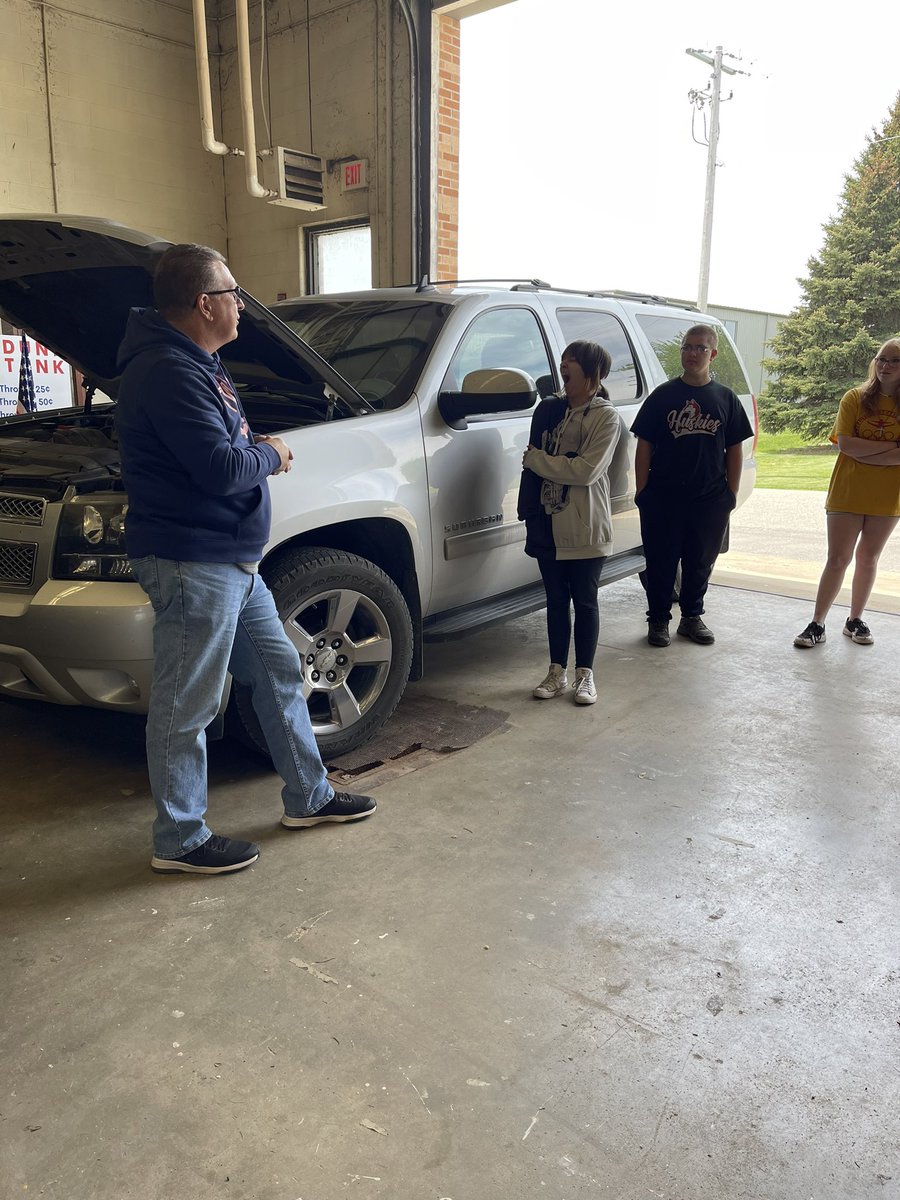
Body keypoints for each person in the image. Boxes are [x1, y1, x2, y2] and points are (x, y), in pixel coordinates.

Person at [115, 243, 375, 876]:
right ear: (205, 303)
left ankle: (308, 797)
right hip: (193, 561)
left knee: (281, 673)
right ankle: (179, 837)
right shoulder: (170, 370)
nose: (241, 306)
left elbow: (219, 445)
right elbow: (219, 469)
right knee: (188, 703)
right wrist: (273, 455)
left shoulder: (197, 362)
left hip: (230, 561)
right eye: (234, 294)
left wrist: (249, 446)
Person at [631, 324, 753, 647]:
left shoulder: (725, 399)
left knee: (700, 562)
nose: (692, 353)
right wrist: (642, 492)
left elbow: (735, 449)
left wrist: (731, 494)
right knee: (661, 562)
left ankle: (691, 618)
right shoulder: (663, 396)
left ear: (712, 354)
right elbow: (644, 444)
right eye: (687, 347)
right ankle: (658, 619)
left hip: (710, 499)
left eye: (700, 348)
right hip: (663, 498)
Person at [517, 340, 624, 705]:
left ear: (594, 373)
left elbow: (586, 470)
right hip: (547, 522)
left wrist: (537, 460)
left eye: (572, 361)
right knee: (556, 600)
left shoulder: (606, 416)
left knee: (586, 600)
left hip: (585, 525)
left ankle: (586, 675)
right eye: (563, 359)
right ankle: (556, 671)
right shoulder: (550, 411)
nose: (563, 366)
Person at [793, 339, 900, 650]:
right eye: (882, 359)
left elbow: (857, 448)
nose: (885, 366)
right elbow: (846, 445)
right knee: (838, 558)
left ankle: (855, 619)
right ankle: (817, 623)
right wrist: (893, 450)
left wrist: (869, 454)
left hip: (888, 494)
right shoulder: (855, 398)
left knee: (868, 558)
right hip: (848, 490)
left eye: (894, 361)